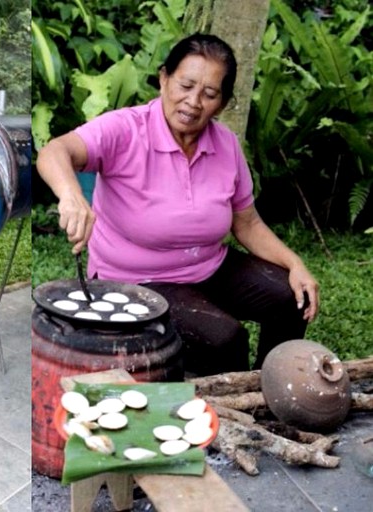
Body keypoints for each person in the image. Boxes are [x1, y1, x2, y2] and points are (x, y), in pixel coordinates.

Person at [36, 33, 320, 376]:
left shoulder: (226, 144)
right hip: (137, 278)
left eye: (210, 94)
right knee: (225, 338)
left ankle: (269, 388)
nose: (194, 102)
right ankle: (220, 410)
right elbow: (54, 151)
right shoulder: (125, 129)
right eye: (185, 85)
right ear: (163, 78)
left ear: (223, 102)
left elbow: (247, 223)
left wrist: (294, 264)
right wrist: (71, 195)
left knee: (292, 297)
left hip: (208, 266)